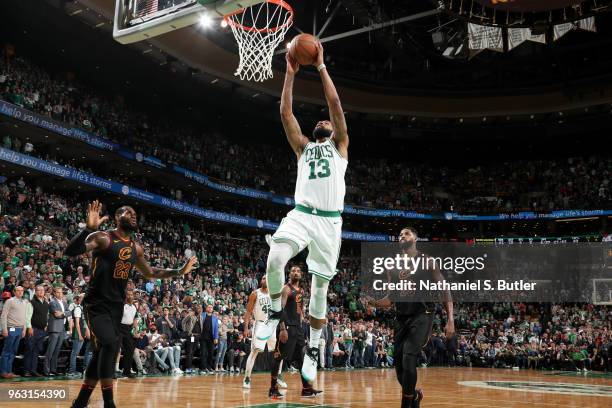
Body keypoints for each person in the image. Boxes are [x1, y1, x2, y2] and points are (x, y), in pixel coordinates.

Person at [257, 39, 349, 389]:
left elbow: (335, 103)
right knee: (276, 256)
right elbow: (285, 112)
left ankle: (312, 351)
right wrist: (291, 73)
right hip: (301, 214)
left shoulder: (340, 146)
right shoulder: (303, 147)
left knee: (320, 289)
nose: (323, 120)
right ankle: (274, 315)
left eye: (327, 120)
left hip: (329, 221)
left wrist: (321, 65)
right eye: (321, 121)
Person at [66, 201, 197, 408]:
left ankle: (80, 402)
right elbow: (71, 251)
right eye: (129, 213)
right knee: (110, 344)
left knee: (101, 352)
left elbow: (151, 272)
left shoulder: (135, 247)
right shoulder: (102, 237)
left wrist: (179, 271)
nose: (134, 216)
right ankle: (109, 403)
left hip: (116, 307)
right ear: (117, 217)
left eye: (135, 214)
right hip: (96, 304)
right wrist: (88, 229)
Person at [367, 227, 455, 408]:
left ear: (415, 238)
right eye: (400, 234)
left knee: (408, 357)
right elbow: (391, 298)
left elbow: (445, 290)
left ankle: (406, 405)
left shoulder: (427, 261)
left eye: (406, 233)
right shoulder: (393, 266)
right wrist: (373, 302)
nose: (402, 236)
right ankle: (413, 396)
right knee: (399, 367)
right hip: (401, 317)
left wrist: (450, 320)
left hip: (423, 314)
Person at [269, 266, 321, 399]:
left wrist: (302, 327)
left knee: (302, 359)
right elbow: (279, 308)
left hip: (298, 329)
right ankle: (273, 389)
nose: (296, 273)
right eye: (293, 271)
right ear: (289, 274)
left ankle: (306, 389)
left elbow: (300, 310)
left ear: (301, 275)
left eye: (298, 271)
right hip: (286, 327)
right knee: (278, 357)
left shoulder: (301, 291)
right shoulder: (286, 288)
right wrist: (282, 328)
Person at [243, 276, 276, 389]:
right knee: (254, 352)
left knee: (278, 352)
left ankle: (278, 375)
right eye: (262, 278)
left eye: (267, 278)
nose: (265, 280)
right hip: (260, 324)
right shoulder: (255, 294)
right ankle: (247, 377)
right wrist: (246, 328)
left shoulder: (274, 294)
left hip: (271, 324)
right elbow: (248, 312)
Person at [0, 286, 27, 379]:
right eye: (18, 291)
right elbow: (3, 316)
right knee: (7, 350)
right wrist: (4, 329)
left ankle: (9, 371)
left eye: (22, 291)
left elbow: (25, 317)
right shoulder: (10, 301)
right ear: (14, 292)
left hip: (19, 329)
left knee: (13, 351)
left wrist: (24, 329)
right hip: (11, 328)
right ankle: (3, 371)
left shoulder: (24, 302)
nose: (20, 292)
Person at [45, 286, 72, 376]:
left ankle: (53, 369)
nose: (60, 294)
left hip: (62, 329)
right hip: (55, 329)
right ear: (54, 293)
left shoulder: (64, 303)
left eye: (61, 292)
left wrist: (63, 313)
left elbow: (69, 312)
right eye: (58, 292)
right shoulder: (52, 302)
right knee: (50, 351)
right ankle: (46, 370)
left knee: (57, 351)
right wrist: (64, 314)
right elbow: (56, 315)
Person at [23, 285, 49, 377]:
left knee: (36, 351)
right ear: (36, 292)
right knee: (29, 350)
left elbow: (46, 316)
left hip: (42, 330)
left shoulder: (46, 303)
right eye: (39, 290)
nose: (41, 292)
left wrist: (46, 325)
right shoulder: (32, 302)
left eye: (42, 290)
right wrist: (29, 327)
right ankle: (26, 371)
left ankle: (33, 370)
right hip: (33, 329)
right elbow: (27, 316)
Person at [68, 293, 89, 377]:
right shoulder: (78, 309)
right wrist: (80, 335)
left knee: (76, 352)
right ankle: (71, 371)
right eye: (82, 298)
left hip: (82, 332)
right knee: (75, 352)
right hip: (77, 333)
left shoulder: (83, 308)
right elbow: (77, 323)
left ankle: (74, 370)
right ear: (79, 300)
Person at [118, 289, 138, 378]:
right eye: (128, 294)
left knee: (130, 349)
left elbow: (135, 318)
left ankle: (126, 371)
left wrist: (136, 330)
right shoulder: (122, 305)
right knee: (115, 350)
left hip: (128, 329)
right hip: (119, 328)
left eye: (131, 295)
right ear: (125, 296)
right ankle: (110, 372)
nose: (130, 296)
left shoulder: (134, 307)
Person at [199, 304, 218, 374]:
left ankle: (209, 367)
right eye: (209, 307)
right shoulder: (202, 315)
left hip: (211, 338)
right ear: (206, 308)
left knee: (211, 353)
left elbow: (216, 328)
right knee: (203, 353)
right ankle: (203, 368)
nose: (210, 308)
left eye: (211, 307)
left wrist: (216, 337)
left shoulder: (215, 318)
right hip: (203, 337)